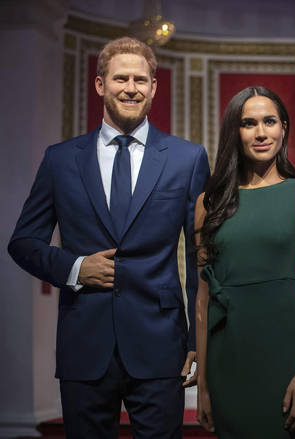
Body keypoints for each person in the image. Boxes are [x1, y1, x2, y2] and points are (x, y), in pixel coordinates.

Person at [7, 37, 209, 437]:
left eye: (140, 79)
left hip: (161, 345)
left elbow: (202, 255)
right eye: (120, 78)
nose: (130, 87)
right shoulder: (60, 159)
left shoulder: (188, 159)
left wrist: (196, 339)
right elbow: (23, 242)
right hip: (84, 344)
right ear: (100, 85)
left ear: (154, 87)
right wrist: (76, 267)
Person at [194, 86, 295, 437]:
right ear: (234, 132)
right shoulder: (207, 204)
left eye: (269, 121)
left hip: (284, 347)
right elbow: (202, 298)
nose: (260, 132)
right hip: (227, 352)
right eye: (249, 123)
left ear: (284, 128)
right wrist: (204, 388)